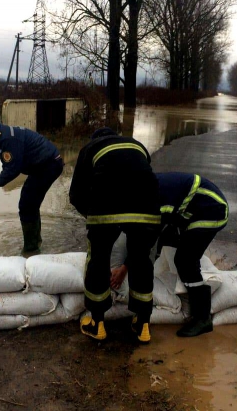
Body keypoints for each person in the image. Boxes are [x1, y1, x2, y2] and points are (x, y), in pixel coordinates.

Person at [69, 127, 161, 343]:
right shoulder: (137, 145)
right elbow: (145, 177)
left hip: (105, 210)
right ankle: (142, 324)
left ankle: (97, 324)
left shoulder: (89, 148)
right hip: (147, 210)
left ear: (95, 139)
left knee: (98, 260)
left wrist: (91, 216)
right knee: (141, 259)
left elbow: (75, 194)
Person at [110, 172, 228, 337]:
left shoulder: (151, 203)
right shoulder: (143, 191)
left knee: (185, 260)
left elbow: (144, 243)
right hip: (190, 209)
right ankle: (189, 294)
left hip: (211, 210)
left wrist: (123, 269)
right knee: (168, 245)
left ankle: (203, 318)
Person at [0, 113, 63, 256]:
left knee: (27, 205)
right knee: (28, 203)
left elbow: (13, 168)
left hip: (48, 165)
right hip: (42, 166)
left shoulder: (6, 138)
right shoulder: (1, 136)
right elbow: (10, 166)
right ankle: (34, 243)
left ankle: (31, 249)